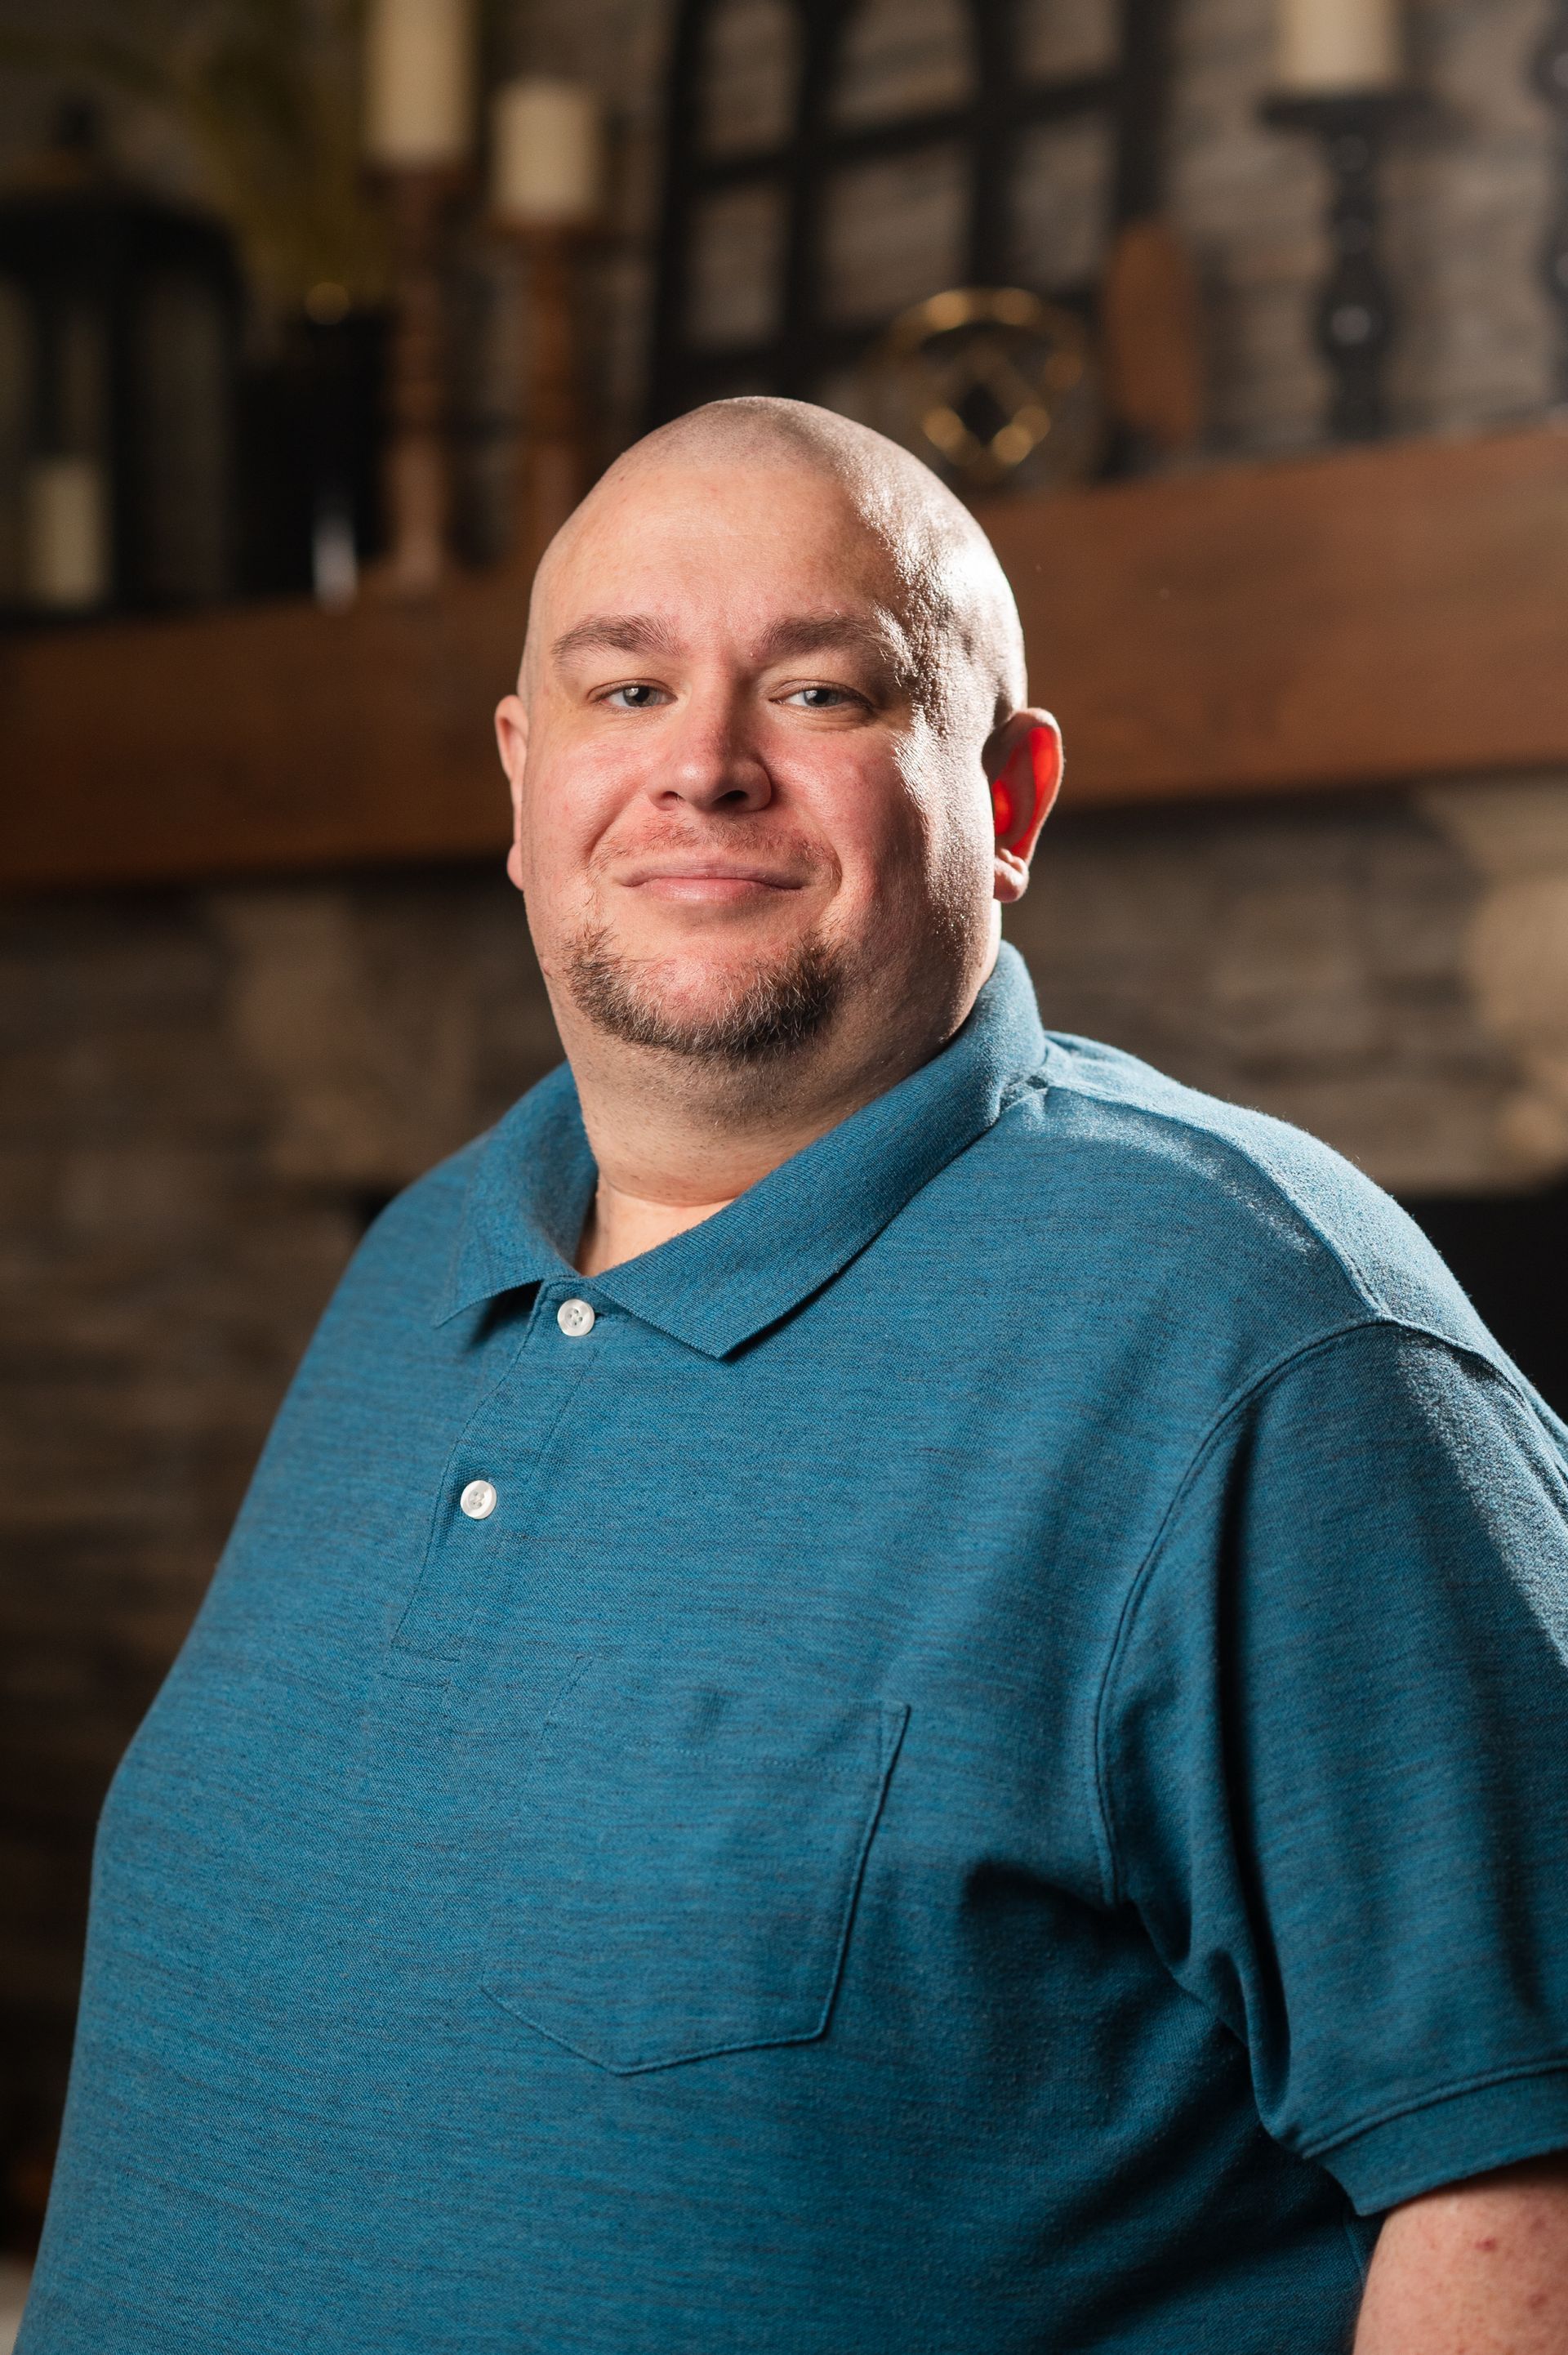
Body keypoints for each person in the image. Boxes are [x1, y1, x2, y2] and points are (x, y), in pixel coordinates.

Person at [20, 399, 1568, 2355]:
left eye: (824, 687)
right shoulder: (422, 1263)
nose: (703, 766)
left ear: (1008, 803)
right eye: (629, 684)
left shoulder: (1262, 1336)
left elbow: (1524, 2188)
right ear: (524, 781)